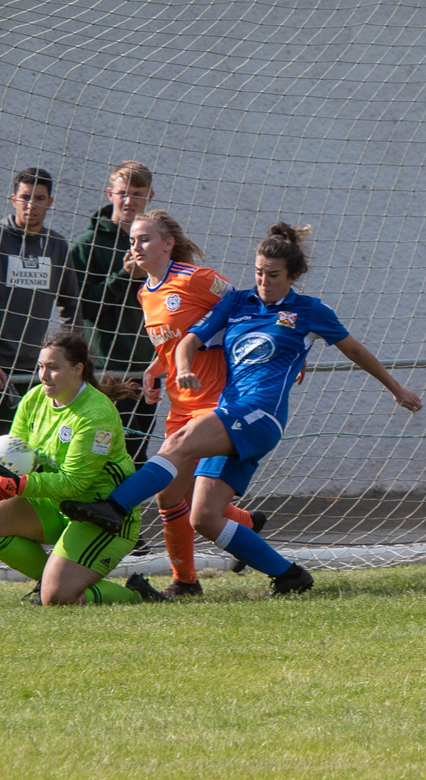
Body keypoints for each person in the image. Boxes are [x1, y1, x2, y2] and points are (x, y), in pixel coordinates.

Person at [61, 222, 423, 595]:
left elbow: (356, 350)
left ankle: (114, 507)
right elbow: (188, 340)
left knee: (178, 444)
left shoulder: (309, 311)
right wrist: (178, 367)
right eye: (258, 273)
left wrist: (395, 388)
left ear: (294, 275)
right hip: (229, 413)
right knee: (204, 516)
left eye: (273, 275)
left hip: (259, 415)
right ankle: (288, 576)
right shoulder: (237, 303)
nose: (263, 281)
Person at [0, 332, 162, 606]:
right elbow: (17, 456)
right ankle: (53, 581)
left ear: (78, 370)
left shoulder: (96, 414)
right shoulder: (34, 399)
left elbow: (75, 483)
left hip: (100, 515)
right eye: (40, 366)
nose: (43, 375)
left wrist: (19, 486)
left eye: (53, 367)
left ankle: (137, 595)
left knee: (58, 598)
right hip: (56, 505)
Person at [126, 208, 265, 597]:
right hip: (179, 403)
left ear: (168, 243)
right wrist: (155, 368)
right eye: (133, 240)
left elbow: (247, 307)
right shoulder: (144, 292)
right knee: (178, 497)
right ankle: (246, 525)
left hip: (215, 403)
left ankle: (185, 583)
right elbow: (172, 341)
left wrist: (279, 353)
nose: (136, 246)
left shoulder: (198, 279)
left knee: (176, 496)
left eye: (145, 239)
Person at [0, 168, 80, 446]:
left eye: (39, 198)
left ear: (50, 202)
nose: (31, 205)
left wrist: (68, 357)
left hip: (40, 372)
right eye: (25, 197)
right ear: (13, 199)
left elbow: (70, 303)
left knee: (32, 453)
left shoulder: (56, 245)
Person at [68, 161, 163, 467]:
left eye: (137, 193)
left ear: (149, 197)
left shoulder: (159, 245)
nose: (129, 200)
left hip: (146, 366)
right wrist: (124, 274)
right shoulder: (87, 245)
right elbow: (84, 305)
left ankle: (124, 515)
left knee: (135, 454)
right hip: (105, 368)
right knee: (98, 454)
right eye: (123, 193)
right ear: (110, 194)